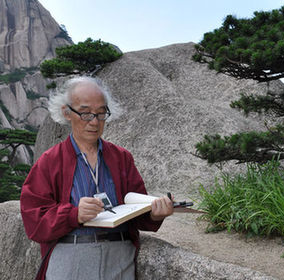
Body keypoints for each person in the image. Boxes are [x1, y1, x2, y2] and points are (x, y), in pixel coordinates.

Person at [20, 76, 173, 280]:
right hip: (70, 257)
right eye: (85, 114)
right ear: (67, 112)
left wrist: (156, 213)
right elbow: (34, 221)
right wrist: (73, 214)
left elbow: (137, 208)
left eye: (101, 113)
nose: (94, 122)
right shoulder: (49, 161)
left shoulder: (121, 158)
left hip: (120, 256)